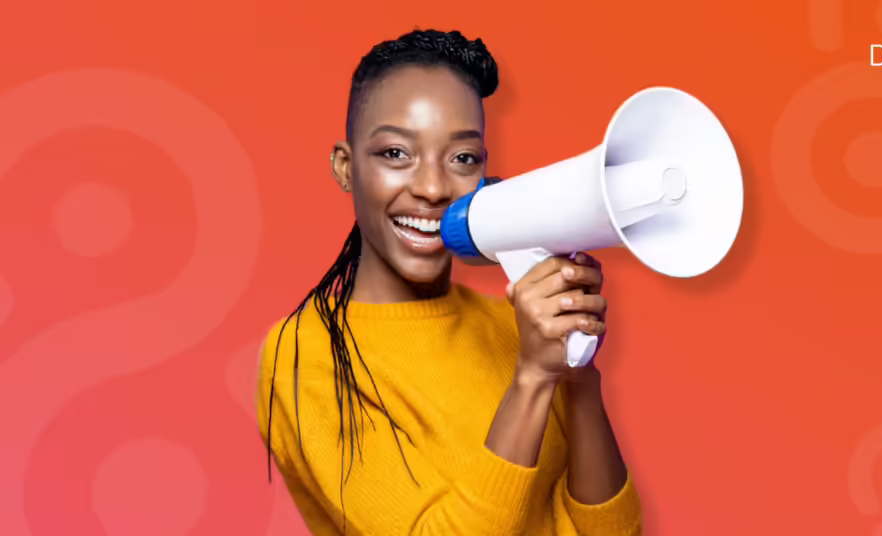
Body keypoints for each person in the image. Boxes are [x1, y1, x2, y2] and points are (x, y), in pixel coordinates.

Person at [255, 28, 643, 536]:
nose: (434, 188)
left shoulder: (513, 325)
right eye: (396, 154)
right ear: (345, 167)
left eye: (462, 158)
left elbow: (614, 531)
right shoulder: (304, 353)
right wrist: (530, 379)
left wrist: (576, 373)